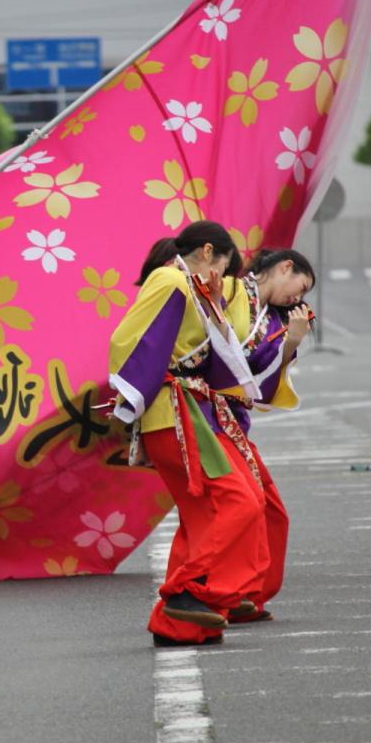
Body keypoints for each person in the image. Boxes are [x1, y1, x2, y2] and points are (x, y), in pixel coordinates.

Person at [108, 222, 264, 648]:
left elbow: (227, 353)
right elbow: (125, 340)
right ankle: (185, 590)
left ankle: (180, 623)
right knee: (240, 501)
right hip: (174, 412)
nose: (224, 277)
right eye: (224, 267)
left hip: (183, 412)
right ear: (208, 251)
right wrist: (142, 388)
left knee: (203, 516)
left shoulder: (192, 288)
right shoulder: (172, 278)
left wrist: (214, 302)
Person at [208, 249, 314, 622]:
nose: (298, 299)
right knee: (241, 505)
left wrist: (291, 343)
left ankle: (243, 591)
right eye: (300, 287)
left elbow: (264, 387)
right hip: (203, 411)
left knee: (267, 510)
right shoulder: (231, 289)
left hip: (233, 420)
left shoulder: (277, 322)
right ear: (286, 267)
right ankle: (216, 591)